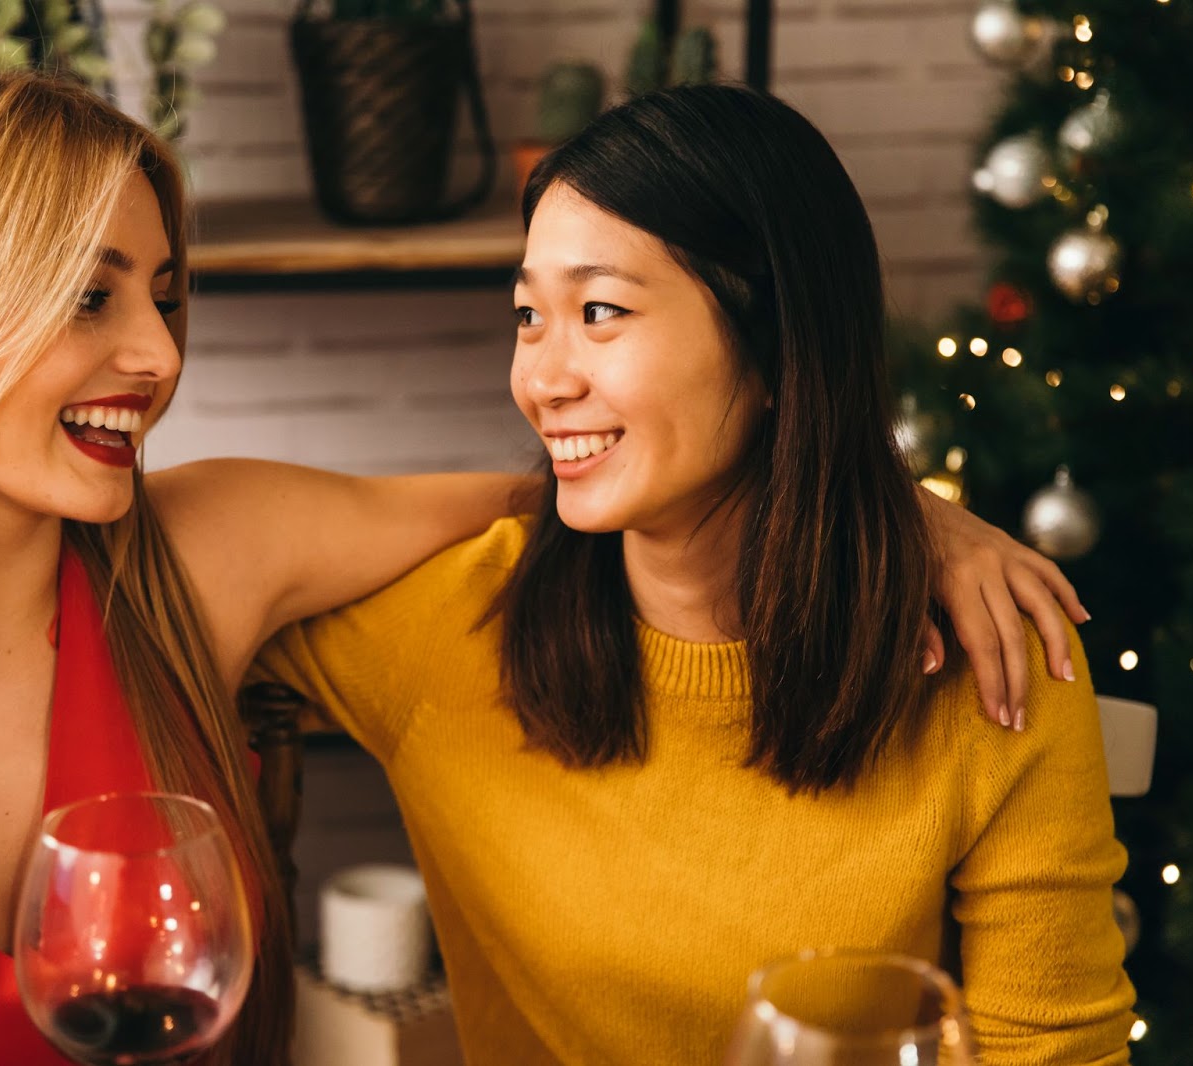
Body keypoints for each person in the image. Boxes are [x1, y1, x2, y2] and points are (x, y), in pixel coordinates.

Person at [0, 66, 1084, 1064]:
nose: (163, 358)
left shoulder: (196, 556)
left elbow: (567, 490)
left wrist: (895, 506)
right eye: (90, 294)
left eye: (166, 298)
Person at [252, 83, 1136, 1064]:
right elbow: (154, 541)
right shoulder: (451, 622)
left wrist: (888, 508)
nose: (542, 379)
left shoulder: (991, 651)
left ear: (774, 349)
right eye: (527, 315)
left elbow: (1056, 1052)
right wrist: (911, 507)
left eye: (598, 311)